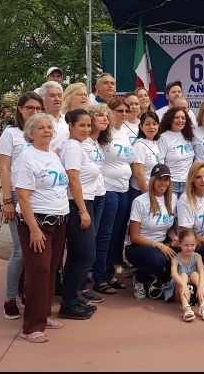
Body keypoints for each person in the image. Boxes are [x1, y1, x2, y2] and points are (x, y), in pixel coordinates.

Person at [12, 113, 70, 343]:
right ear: (31, 133)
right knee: (39, 273)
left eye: (49, 127)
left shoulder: (52, 156)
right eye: (41, 128)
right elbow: (23, 197)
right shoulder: (27, 158)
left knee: (51, 270)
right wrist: (34, 229)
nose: (47, 131)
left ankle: (43, 315)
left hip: (59, 221)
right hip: (37, 223)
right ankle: (31, 327)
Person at [0, 92, 43, 320]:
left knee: (36, 249)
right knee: (19, 251)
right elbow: (4, 168)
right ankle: (9, 297)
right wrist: (7, 200)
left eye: (37, 108)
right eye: (29, 108)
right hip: (17, 196)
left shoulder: (40, 135)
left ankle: (29, 291)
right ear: (20, 109)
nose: (33, 112)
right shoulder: (11, 134)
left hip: (40, 198)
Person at [57, 109, 99, 320]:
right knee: (86, 255)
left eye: (89, 125)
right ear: (70, 126)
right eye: (81, 125)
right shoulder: (73, 147)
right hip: (76, 205)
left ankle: (70, 296)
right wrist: (83, 210)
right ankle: (69, 302)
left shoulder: (76, 146)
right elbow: (73, 178)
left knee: (76, 255)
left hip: (81, 203)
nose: (86, 129)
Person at [93, 97, 137, 295]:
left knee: (118, 234)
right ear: (109, 112)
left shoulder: (125, 133)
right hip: (107, 189)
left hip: (124, 189)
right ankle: (99, 276)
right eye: (119, 110)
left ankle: (109, 273)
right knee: (105, 235)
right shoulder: (104, 134)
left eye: (126, 111)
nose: (124, 114)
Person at [125, 163, 179, 300]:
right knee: (159, 260)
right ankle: (140, 277)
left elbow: (170, 228)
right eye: (160, 179)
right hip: (139, 246)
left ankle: (159, 281)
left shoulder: (173, 199)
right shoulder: (140, 201)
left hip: (162, 244)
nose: (163, 183)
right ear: (153, 180)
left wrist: (174, 238)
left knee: (186, 252)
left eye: (166, 179)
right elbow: (134, 237)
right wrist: (159, 245)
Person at [81, 104, 109, 304]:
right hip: (86, 197)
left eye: (107, 116)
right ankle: (80, 287)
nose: (105, 118)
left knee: (94, 239)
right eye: (100, 115)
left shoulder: (97, 143)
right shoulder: (81, 143)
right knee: (85, 244)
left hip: (99, 194)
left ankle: (82, 283)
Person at [177, 163, 204, 269]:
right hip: (191, 243)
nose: (203, 180)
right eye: (198, 177)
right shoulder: (185, 199)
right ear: (192, 179)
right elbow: (187, 232)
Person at [170, 229, 204, 322]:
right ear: (180, 244)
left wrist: (200, 286)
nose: (190, 248)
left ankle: (203, 306)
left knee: (195, 274)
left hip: (195, 291)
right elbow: (174, 274)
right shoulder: (175, 258)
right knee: (183, 275)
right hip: (180, 290)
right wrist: (184, 285)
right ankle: (186, 307)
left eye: (192, 245)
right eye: (186, 245)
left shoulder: (197, 256)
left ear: (196, 244)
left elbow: (202, 271)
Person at [157, 106, 195, 196]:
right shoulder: (163, 138)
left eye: (183, 118)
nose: (180, 120)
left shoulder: (188, 135)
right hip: (171, 184)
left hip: (188, 184)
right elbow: (160, 162)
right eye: (177, 117)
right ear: (170, 119)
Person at [129, 111, 163, 203]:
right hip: (141, 192)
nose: (151, 127)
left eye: (154, 124)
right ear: (141, 126)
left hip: (154, 191)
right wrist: (147, 196)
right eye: (147, 124)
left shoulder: (155, 143)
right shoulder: (139, 145)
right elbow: (138, 174)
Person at [40, 81, 67, 155]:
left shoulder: (70, 120)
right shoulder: (37, 122)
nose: (57, 99)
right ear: (42, 100)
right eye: (52, 96)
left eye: (60, 95)